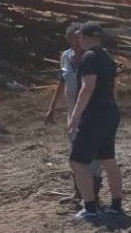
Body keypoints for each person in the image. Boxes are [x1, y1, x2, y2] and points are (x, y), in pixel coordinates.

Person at [68, 21, 124, 219]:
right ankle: (116, 205)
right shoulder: (108, 57)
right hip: (109, 112)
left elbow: (87, 87)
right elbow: (113, 87)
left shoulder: (88, 58)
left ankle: (89, 207)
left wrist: (75, 116)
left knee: (76, 161)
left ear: (83, 37)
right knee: (108, 159)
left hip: (94, 115)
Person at [44, 23, 103, 205]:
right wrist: (52, 108)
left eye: (78, 40)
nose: (76, 45)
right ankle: (79, 193)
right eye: (72, 41)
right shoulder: (65, 56)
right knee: (75, 154)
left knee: (91, 156)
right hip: (73, 112)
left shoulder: (92, 58)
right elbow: (62, 82)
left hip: (91, 112)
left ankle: (92, 196)